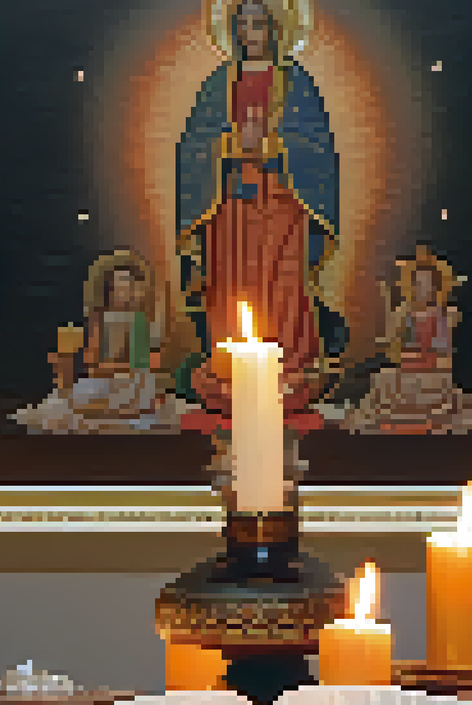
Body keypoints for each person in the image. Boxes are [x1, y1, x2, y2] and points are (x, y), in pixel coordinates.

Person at [173, 0, 348, 418]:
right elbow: (193, 148)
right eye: (243, 23)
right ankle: (232, 368)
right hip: (230, 203)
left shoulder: (295, 81)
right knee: (233, 283)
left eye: (259, 24)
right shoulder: (219, 82)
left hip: (282, 203)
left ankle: (290, 366)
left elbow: (318, 149)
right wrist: (229, 146)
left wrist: (273, 146)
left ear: (275, 29)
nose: (250, 32)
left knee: (283, 286)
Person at [11, 250, 187, 433]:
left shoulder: (140, 320)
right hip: (104, 382)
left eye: (128, 286)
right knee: (72, 401)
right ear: (108, 290)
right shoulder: (100, 319)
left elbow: (145, 362)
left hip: (134, 382)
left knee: (144, 395)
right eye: (117, 287)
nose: (122, 292)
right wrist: (106, 368)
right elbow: (92, 361)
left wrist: (135, 368)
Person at [344, 245, 472, 434]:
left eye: (427, 284)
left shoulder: (443, 315)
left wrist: (436, 367)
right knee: (384, 379)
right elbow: (393, 347)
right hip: (406, 371)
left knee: (430, 390)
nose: (423, 289)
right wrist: (392, 339)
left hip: (431, 374)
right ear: (411, 287)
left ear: (436, 287)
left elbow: (442, 351)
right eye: (418, 284)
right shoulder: (403, 314)